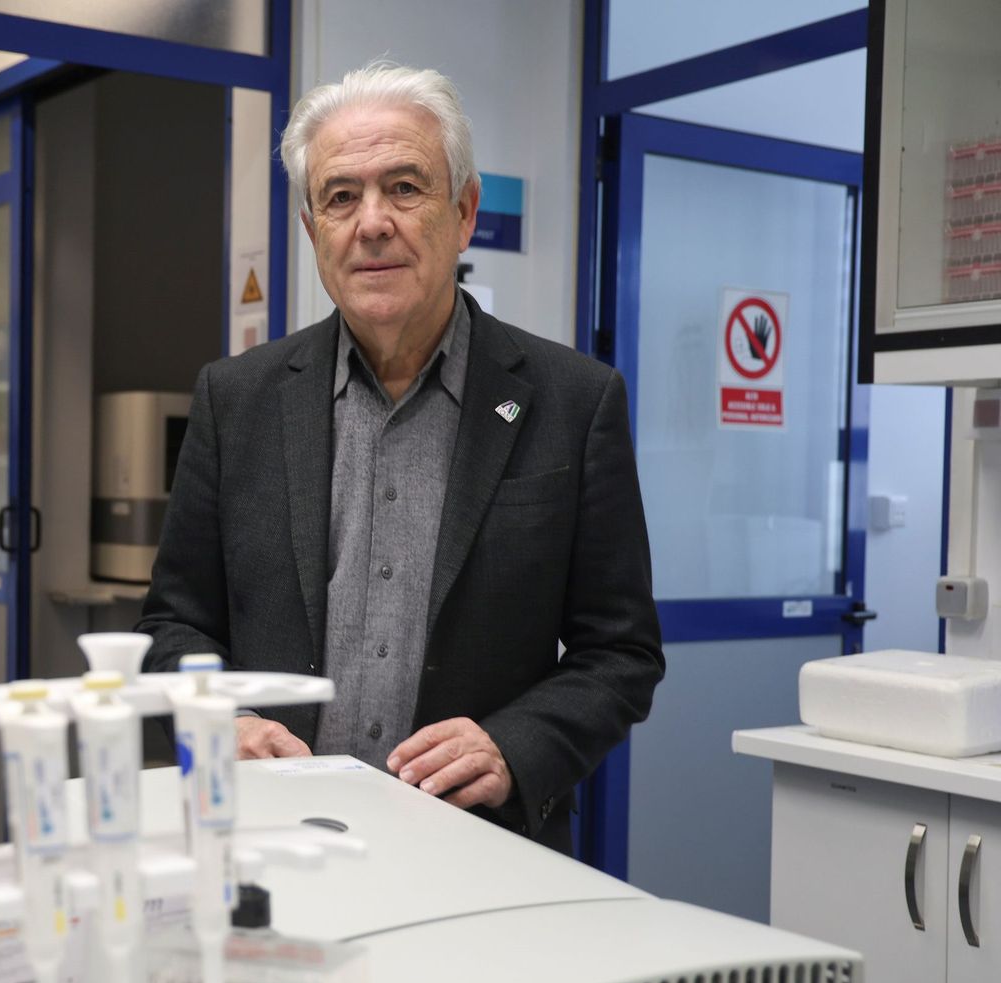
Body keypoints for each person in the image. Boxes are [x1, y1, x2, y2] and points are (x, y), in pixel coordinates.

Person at [136, 61, 664, 854]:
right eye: (341, 196)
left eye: (405, 188)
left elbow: (619, 652)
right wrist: (221, 723)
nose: (371, 222)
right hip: (271, 840)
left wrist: (513, 746)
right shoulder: (235, 400)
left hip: (479, 848)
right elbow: (174, 626)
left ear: (464, 212)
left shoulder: (571, 401)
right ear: (314, 231)